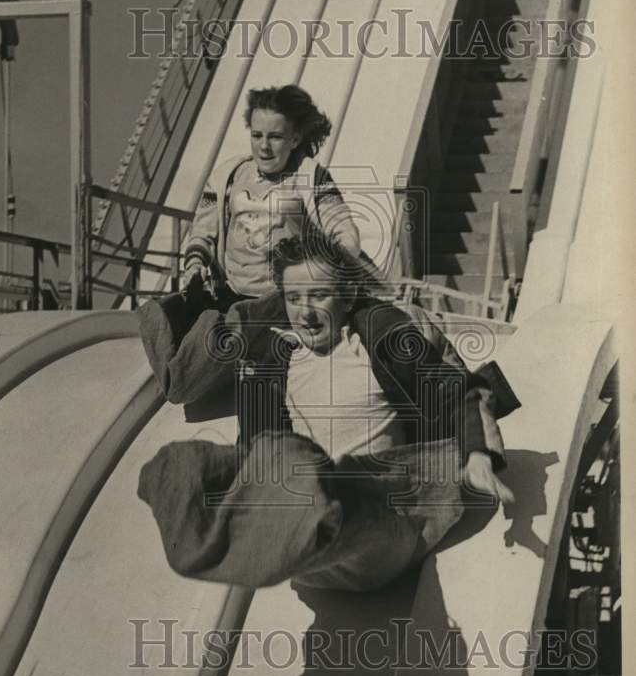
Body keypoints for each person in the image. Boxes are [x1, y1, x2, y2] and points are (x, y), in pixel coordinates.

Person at [138, 229, 519, 592]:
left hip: (387, 516)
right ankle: (230, 539)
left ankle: (278, 524)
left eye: (319, 295)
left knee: (300, 465)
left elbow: (456, 391)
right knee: (176, 464)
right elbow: (255, 447)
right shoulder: (277, 362)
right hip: (310, 537)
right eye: (293, 298)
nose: (304, 313)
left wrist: (476, 455)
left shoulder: (379, 340)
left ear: (348, 295)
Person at [138, 84, 361, 413]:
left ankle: (215, 343)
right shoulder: (229, 174)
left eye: (275, 137)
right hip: (229, 290)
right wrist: (195, 266)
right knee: (156, 313)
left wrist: (337, 261)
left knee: (239, 320)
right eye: (257, 136)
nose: (264, 147)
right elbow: (203, 229)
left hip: (278, 298)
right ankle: (187, 368)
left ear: (295, 139)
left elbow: (340, 225)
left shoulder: (310, 176)